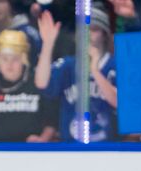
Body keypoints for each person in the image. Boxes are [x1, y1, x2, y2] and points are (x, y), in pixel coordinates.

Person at [34, 6, 117, 142]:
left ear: (104, 34)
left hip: (107, 149)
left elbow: (118, 102)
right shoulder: (68, 65)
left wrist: (95, 71)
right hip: (71, 149)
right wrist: (48, 44)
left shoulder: (114, 65)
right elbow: (42, 83)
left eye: (94, 29)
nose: (88, 34)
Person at [0, 29, 57, 142]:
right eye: (4, 59)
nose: (10, 64)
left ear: (24, 60)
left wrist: (43, 139)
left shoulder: (37, 82)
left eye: (15, 59)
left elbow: (52, 119)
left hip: (30, 152)